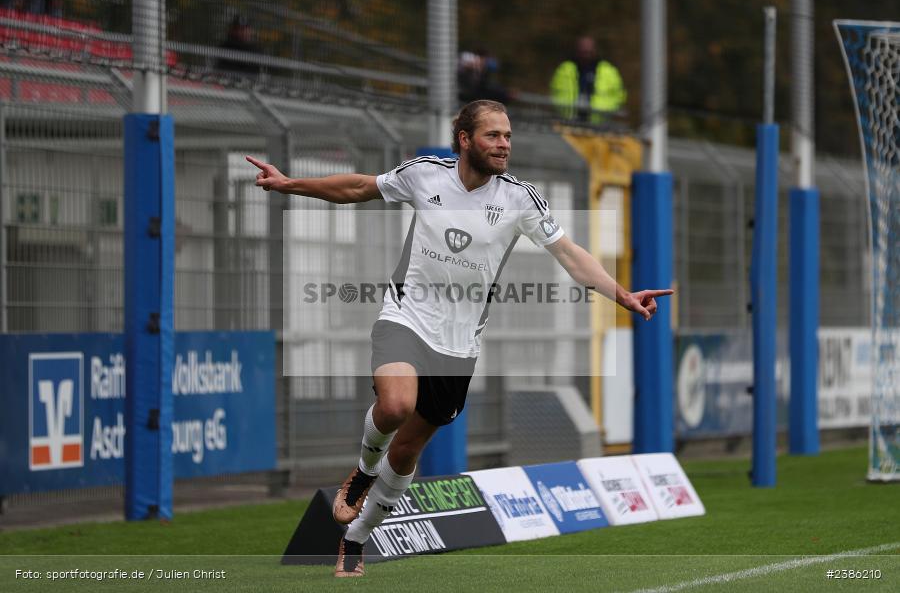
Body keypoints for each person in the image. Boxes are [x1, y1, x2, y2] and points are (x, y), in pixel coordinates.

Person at [246, 99, 671, 578]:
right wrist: (289, 184)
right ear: (465, 139)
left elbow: (570, 255)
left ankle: (356, 538)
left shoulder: (519, 199)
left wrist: (621, 294)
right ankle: (361, 475)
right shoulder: (425, 174)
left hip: (459, 345)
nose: (504, 144)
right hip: (405, 317)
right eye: (493, 135)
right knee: (394, 406)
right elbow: (360, 186)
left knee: (406, 451)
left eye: (508, 136)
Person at [549, 35, 626, 122]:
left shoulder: (608, 71)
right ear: (577, 51)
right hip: (569, 120)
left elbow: (619, 95)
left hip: (599, 122)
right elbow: (554, 91)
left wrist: (608, 111)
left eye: (589, 51)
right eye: (583, 51)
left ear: (595, 50)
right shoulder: (565, 69)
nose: (586, 55)